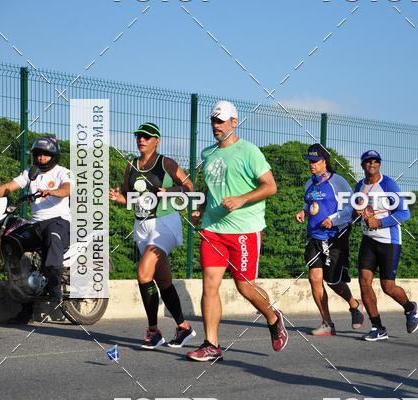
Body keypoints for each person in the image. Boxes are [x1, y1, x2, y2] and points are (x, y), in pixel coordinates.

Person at [187, 100, 288, 362]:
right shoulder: (208, 154)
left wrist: (241, 199)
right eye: (213, 121)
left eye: (221, 121)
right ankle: (212, 344)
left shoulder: (249, 151)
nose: (216, 126)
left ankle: (273, 317)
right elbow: (213, 188)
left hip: (244, 230)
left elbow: (270, 186)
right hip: (213, 229)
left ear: (234, 122)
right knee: (209, 286)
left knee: (244, 287)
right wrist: (202, 208)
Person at [109, 122, 196, 350]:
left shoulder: (166, 163)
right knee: (163, 281)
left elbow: (189, 186)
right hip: (141, 226)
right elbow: (128, 197)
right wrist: (119, 198)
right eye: (139, 136)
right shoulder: (131, 165)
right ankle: (184, 327)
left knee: (143, 272)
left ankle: (153, 331)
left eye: (147, 137)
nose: (141, 140)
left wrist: (171, 191)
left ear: (157, 140)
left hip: (164, 223)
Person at [0, 136, 73, 324]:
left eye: (46, 154)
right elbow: (8, 187)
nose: (42, 157)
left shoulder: (62, 172)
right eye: (38, 154)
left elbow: (67, 189)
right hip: (36, 224)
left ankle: (55, 288)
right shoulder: (31, 173)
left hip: (58, 221)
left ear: (54, 156)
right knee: (15, 247)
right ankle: (25, 302)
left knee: (52, 242)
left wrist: (52, 192)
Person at [295, 143, 365, 336]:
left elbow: (351, 208)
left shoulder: (338, 182)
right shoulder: (309, 183)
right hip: (314, 236)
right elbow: (310, 204)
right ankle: (327, 323)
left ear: (324, 162)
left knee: (333, 281)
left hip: (335, 237)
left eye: (315, 161)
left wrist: (333, 220)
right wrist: (304, 212)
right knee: (314, 278)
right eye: (310, 161)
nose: (311, 164)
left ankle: (354, 305)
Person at [354, 149, 418, 341]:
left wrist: (380, 222)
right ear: (362, 165)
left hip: (389, 241)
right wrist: (355, 212)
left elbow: (404, 213)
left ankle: (410, 307)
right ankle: (378, 327)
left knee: (388, 287)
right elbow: (356, 209)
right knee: (364, 283)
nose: (372, 164)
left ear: (380, 164)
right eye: (368, 161)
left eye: (375, 161)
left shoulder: (388, 184)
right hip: (368, 240)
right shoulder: (359, 186)